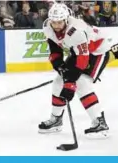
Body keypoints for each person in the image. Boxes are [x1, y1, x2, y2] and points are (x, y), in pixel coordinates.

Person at [38, 3, 110, 137]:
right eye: (54, 22)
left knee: (81, 83)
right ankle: (56, 119)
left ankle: (99, 122)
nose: (57, 25)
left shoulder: (76, 30)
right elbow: (55, 49)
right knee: (58, 83)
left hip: (97, 51)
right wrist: (59, 66)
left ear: (66, 20)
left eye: (60, 22)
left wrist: (70, 82)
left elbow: (83, 59)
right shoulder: (47, 27)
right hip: (78, 51)